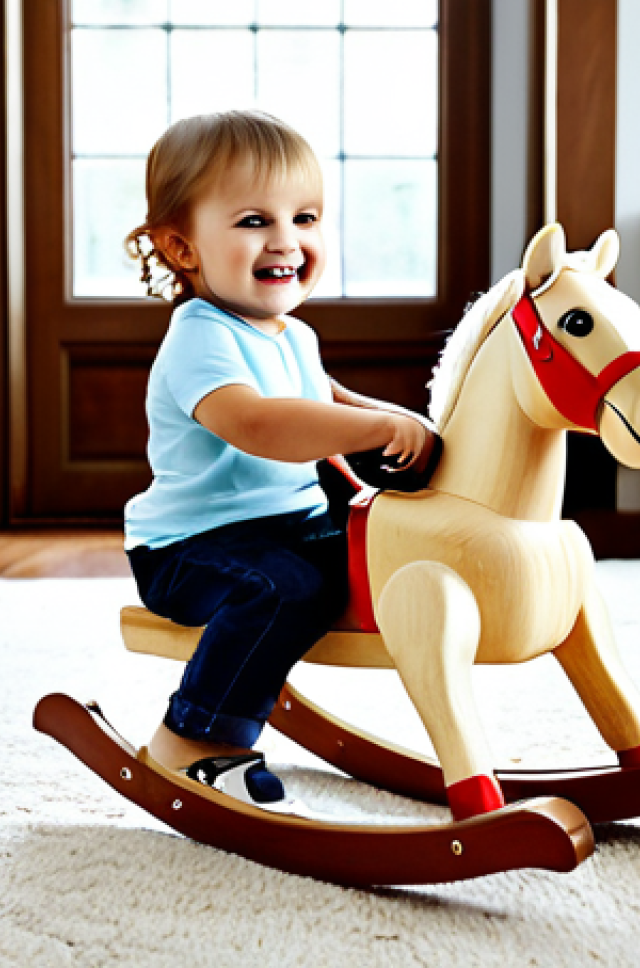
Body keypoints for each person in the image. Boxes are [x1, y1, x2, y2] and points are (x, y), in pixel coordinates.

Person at [124, 110, 432, 810]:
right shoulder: (200, 335)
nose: (287, 240)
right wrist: (370, 426)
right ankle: (194, 735)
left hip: (287, 523)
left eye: (307, 217)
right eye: (254, 221)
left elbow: (327, 398)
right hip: (191, 546)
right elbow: (257, 423)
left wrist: (399, 424)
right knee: (280, 589)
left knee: (378, 553)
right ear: (182, 248)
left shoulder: (291, 334)